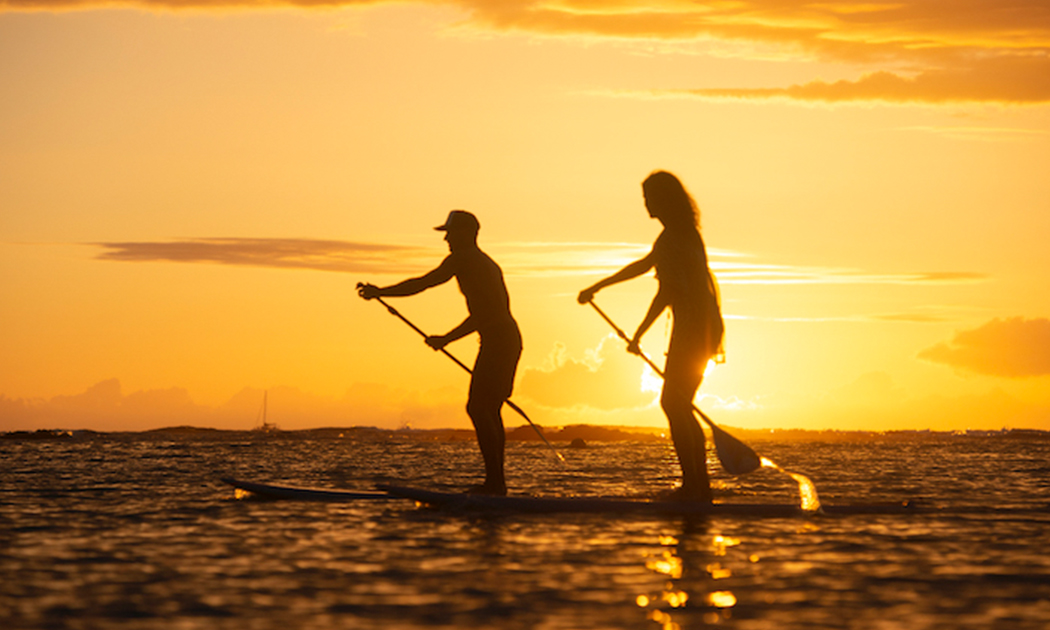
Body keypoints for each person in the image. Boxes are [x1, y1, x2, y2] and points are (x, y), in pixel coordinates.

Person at [578, 171, 724, 502]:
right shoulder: (678, 234)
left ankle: (694, 487)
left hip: (694, 329)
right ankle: (698, 485)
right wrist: (598, 286)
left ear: (664, 200)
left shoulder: (677, 237)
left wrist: (639, 334)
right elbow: (643, 265)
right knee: (678, 404)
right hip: (698, 327)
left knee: (673, 403)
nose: (645, 204)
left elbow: (668, 291)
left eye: (649, 197)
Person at [358, 210, 522, 496]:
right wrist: (447, 338)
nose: (445, 238)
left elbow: (423, 284)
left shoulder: (465, 259)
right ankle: (496, 483)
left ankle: (495, 484)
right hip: (502, 340)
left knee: (479, 408)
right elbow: (485, 314)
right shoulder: (483, 263)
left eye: (450, 232)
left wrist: (380, 292)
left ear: (466, 233)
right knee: (486, 408)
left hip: (499, 341)